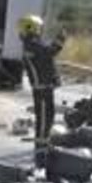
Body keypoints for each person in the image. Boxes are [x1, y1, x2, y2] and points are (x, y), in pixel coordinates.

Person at [19, 14, 63, 168]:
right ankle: (40, 154)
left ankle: (44, 148)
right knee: (43, 120)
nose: (40, 30)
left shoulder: (32, 44)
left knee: (48, 118)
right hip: (42, 89)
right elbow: (50, 52)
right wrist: (60, 39)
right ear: (31, 28)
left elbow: (46, 60)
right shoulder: (32, 45)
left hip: (45, 88)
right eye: (38, 27)